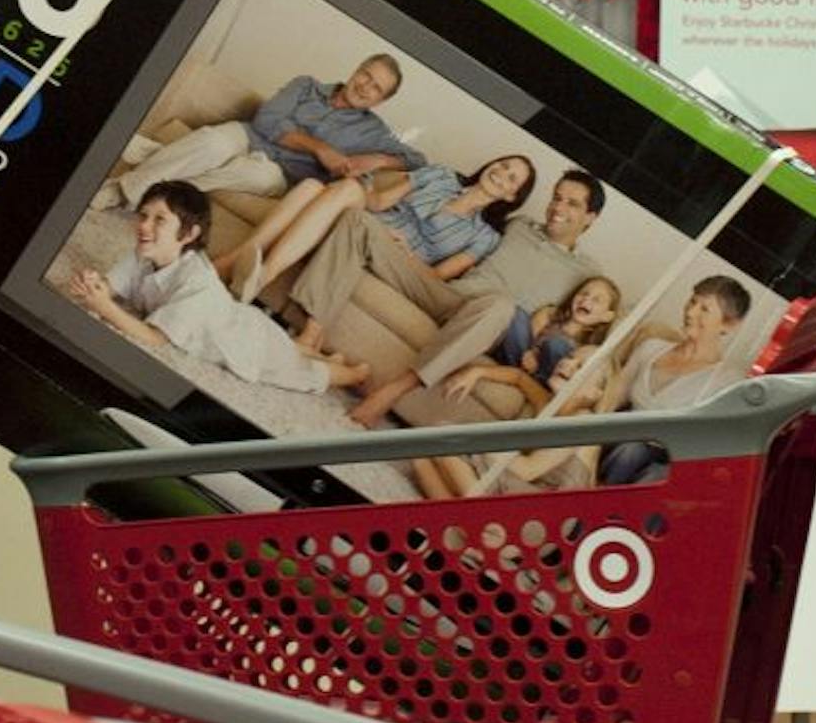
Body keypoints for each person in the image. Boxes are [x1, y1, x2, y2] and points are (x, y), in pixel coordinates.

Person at [334, 173, 608, 429]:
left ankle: (390, 393)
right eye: (557, 197)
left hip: (493, 323)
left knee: (501, 304)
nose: (558, 208)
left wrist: (540, 344)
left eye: (572, 204)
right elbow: (470, 210)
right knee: (360, 222)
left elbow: (579, 326)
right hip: (448, 294)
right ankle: (310, 336)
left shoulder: (587, 272)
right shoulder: (519, 224)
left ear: (590, 217)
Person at [67, 180, 367, 393]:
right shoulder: (146, 252)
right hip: (238, 317)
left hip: (248, 345)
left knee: (303, 372)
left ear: (189, 234)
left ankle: (352, 373)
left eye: (160, 220)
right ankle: (313, 351)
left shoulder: (198, 282)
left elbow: (155, 338)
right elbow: (112, 286)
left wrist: (104, 307)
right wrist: (97, 286)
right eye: (143, 216)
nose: (144, 226)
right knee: (293, 350)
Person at [95, 54, 421, 210]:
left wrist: (378, 159)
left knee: (250, 176)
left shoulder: (372, 131)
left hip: (278, 173)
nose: (365, 87)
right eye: (366, 75)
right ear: (356, 69)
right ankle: (124, 190)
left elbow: (418, 161)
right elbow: (267, 119)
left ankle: (153, 189)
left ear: (381, 101)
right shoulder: (305, 85)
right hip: (250, 136)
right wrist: (320, 148)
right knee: (212, 142)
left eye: (376, 88)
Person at [214, 155, 534, 303]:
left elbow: (437, 278)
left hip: (396, 259)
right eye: (504, 165)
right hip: (368, 224)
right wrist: (353, 189)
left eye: (511, 179)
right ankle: (245, 267)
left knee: (336, 191)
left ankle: (254, 270)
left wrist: (407, 254)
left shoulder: (485, 236)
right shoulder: (441, 175)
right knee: (314, 185)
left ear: (511, 197)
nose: (502, 173)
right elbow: (379, 202)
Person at [591, 275, 753, 487]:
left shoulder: (727, 381)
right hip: (622, 441)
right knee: (631, 450)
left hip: (665, 458)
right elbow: (611, 399)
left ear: (729, 325)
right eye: (692, 301)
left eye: (704, 309)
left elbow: (710, 448)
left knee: (651, 474)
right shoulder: (651, 348)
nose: (690, 312)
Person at [411, 345, 611, 498]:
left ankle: (478, 524)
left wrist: (477, 440)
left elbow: (527, 470)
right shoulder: (547, 403)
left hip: (542, 515)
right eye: (569, 356)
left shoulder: (583, 423)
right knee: (421, 457)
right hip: (520, 488)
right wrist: (477, 372)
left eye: (581, 367)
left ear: (594, 393)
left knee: (447, 438)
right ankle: (455, 524)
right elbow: (519, 378)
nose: (567, 363)